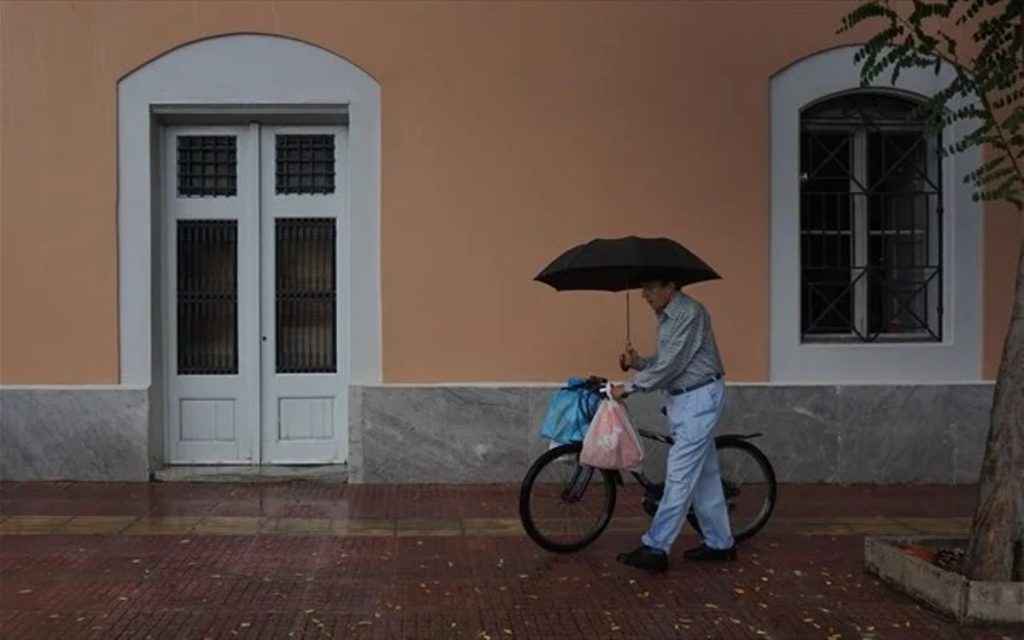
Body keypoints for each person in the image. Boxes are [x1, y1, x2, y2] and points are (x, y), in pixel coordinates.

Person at [609, 278, 734, 572]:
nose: (644, 295)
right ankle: (721, 543)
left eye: (650, 288)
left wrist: (627, 388)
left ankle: (656, 546)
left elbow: (671, 366)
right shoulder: (667, 316)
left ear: (670, 286)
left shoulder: (689, 313)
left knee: (679, 474)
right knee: (704, 477)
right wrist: (639, 362)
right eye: (643, 288)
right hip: (686, 399)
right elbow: (670, 363)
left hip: (699, 399)